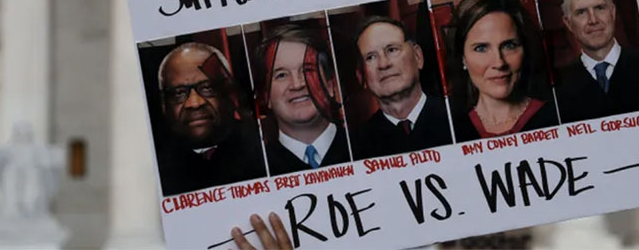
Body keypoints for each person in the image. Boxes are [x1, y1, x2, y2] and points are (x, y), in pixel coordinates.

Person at [155, 42, 266, 195]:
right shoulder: (155, 174)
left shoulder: (265, 147)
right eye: (178, 93)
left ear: (228, 93)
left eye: (207, 88)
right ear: (164, 105)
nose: (194, 103)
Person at [448, 0, 558, 142]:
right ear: (463, 59)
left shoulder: (557, 117)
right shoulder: (450, 132)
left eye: (509, 46)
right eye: (481, 48)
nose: (499, 63)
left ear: (524, 49)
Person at [555, 0, 639, 123]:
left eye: (600, 8)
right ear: (568, 23)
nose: (593, 20)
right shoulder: (558, 87)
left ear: (613, 12)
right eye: (581, 12)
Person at [254, 25, 350, 175]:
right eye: (282, 75)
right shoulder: (254, 173)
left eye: (308, 70)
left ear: (331, 86)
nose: (297, 84)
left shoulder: (372, 149)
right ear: (266, 97)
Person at [353, 16, 453, 159]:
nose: (384, 64)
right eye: (371, 57)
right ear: (361, 77)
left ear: (418, 56)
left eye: (392, 50)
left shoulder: (459, 118)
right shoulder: (357, 148)